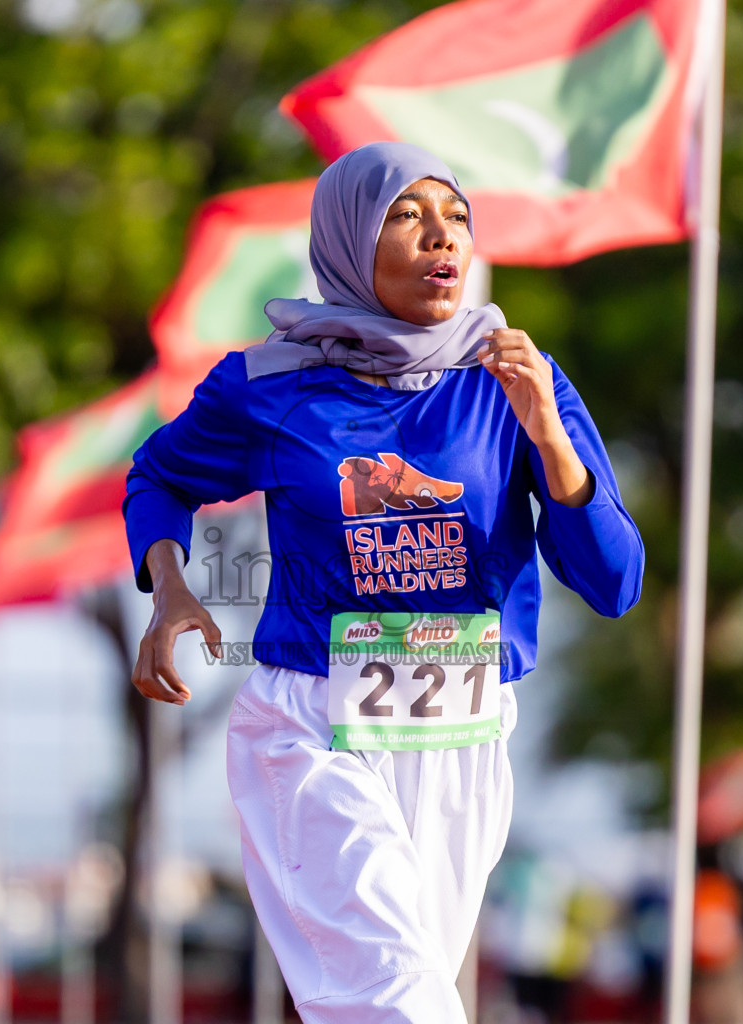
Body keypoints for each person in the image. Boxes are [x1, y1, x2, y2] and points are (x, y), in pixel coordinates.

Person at [123, 141, 644, 1024]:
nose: (443, 237)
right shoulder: (266, 385)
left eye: (457, 218)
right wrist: (169, 584)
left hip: (463, 743)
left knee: (396, 1001)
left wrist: (552, 442)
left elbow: (614, 582)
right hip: (311, 732)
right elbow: (159, 475)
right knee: (398, 1001)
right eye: (408, 216)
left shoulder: (518, 381)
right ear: (348, 240)